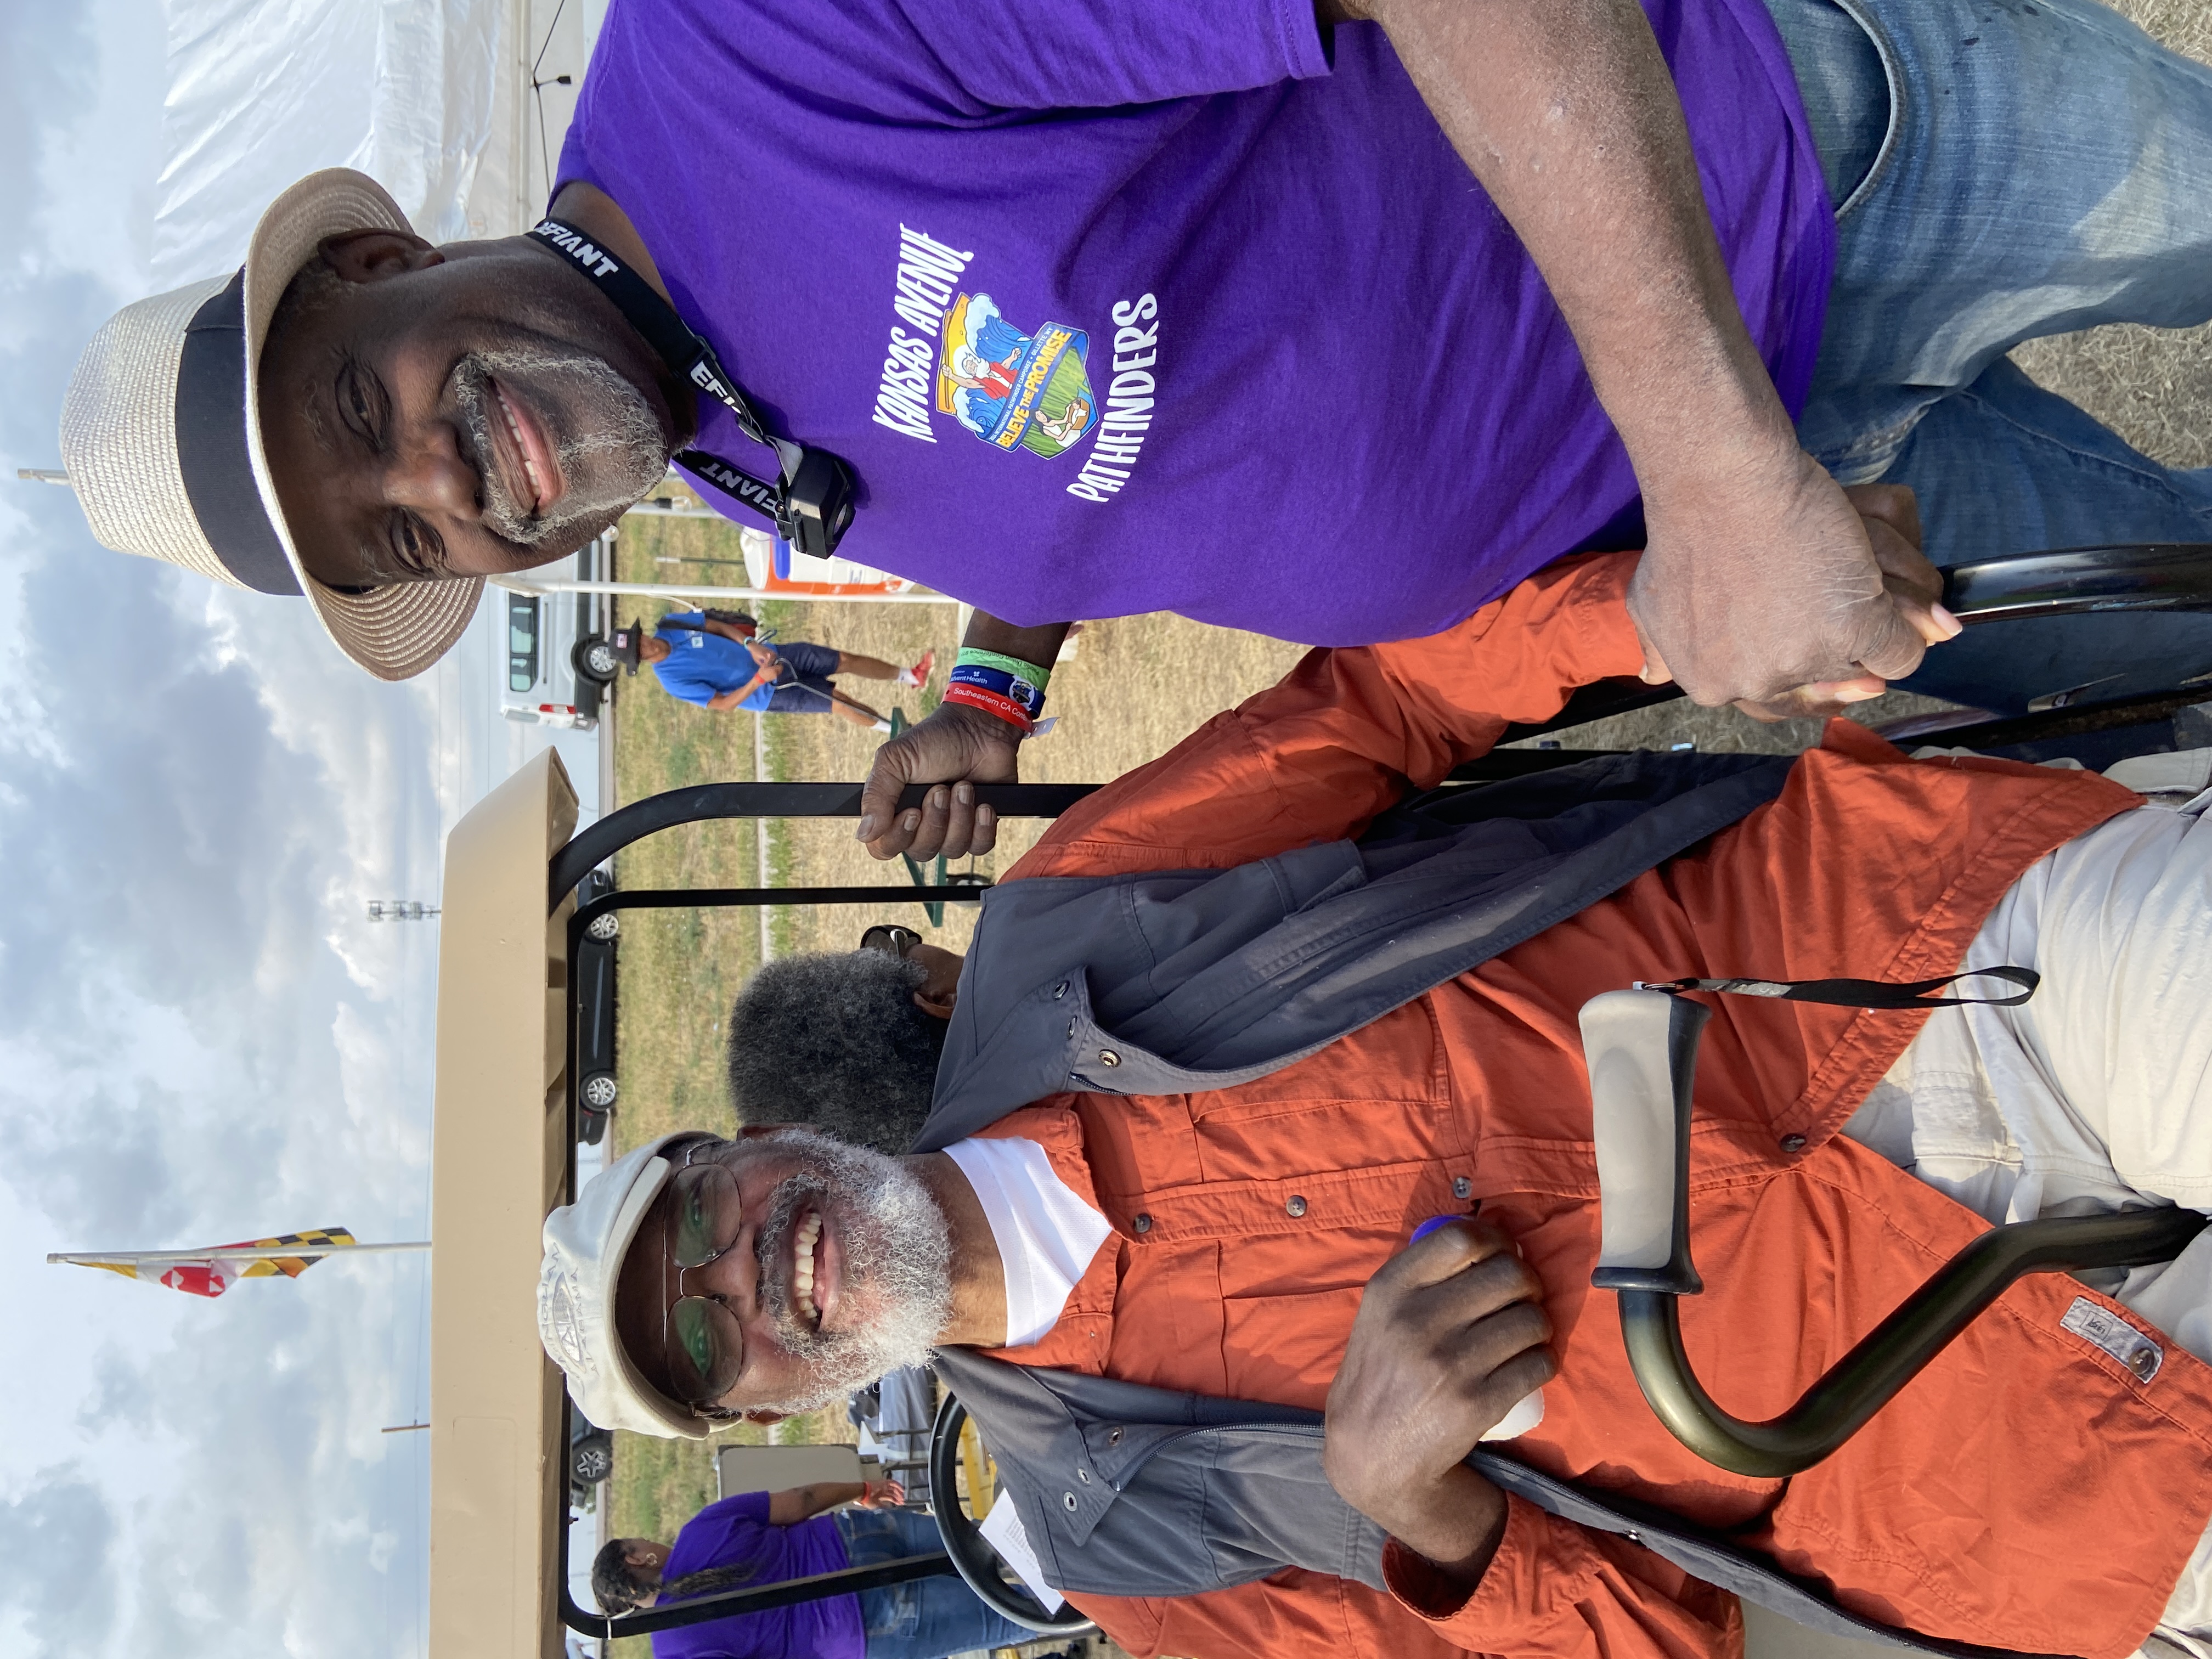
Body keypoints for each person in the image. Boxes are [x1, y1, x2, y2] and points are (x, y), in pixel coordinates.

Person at [536, 545, 2212, 1659]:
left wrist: (1677, 604)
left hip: (1927, 967)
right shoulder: (1137, 1554)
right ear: (765, 1413)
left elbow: (1388, 705)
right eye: (700, 1341)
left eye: (696, 1223)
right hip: (1985, 1458)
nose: (741, 1279)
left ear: (752, 1151)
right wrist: (1422, 1507)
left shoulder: (1068, 922)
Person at [53, 1, 2212, 714]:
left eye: (365, 411)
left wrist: (1716, 468)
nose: (457, 477)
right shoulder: (709, 453)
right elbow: (1124, 449)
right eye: (403, 532)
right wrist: (1678, 555)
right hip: (1765, 508)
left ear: (382, 263)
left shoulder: (754, 52)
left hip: (1830, 188)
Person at [591, 1479, 1036, 1659]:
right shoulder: (700, 1528)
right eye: (641, 1542)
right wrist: (862, 1488)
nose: (652, 1541)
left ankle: (1096, 1600)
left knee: (1010, 1618)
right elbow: (800, 1502)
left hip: (862, 1627)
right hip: (856, 1539)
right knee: (1002, 1544)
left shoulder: (674, 1648)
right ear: (637, 1559)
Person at [627, 611, 932, 730]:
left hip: (775, 656)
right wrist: (759, 680)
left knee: (844, 659)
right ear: (639, 661)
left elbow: (715, 626)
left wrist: (749, 643)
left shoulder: (669, 625)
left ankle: (911, 676)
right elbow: (722, 705)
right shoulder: (672, 680)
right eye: (638, 653)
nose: (645, 647)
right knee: (839, 702)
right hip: (769, 693)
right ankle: (903, 734)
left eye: (639, 641)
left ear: (640, 633)